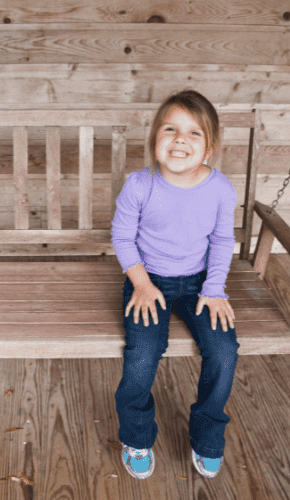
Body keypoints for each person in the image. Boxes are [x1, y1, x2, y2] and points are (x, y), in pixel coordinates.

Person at [111, 90, 240, 480]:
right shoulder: (140, 184)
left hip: (201, 282)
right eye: (170, 129)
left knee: (223, 352)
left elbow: (220, 241)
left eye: (193, 133)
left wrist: (214, 288)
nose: (180, 139)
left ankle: (208, 437)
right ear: (155, 140)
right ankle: (136, 435)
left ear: (210, 149)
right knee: (142, 355)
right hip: (149, 281)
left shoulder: (220, 189)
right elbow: (122, 237)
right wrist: (141, 283)